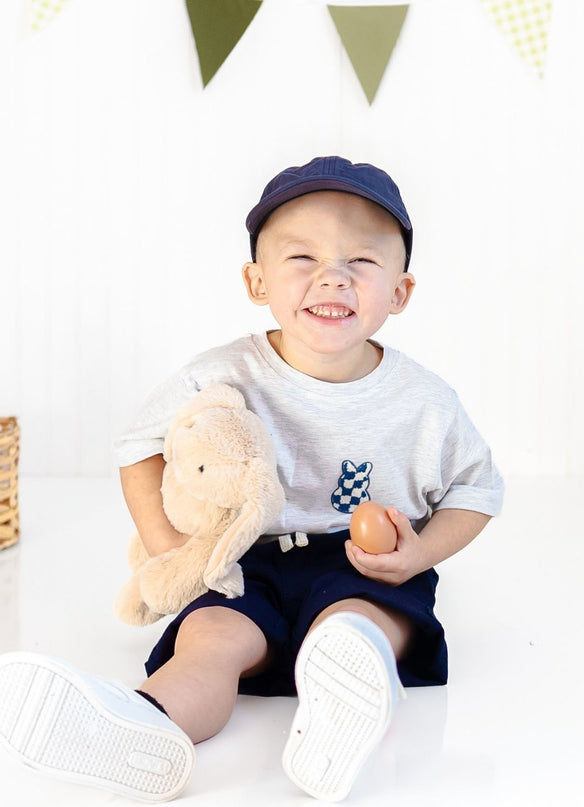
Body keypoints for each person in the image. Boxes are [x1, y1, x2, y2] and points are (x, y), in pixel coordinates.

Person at [0, 156, 503, 802]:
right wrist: (164, 541)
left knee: (353, 625)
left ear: (400, 292)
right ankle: (142, 724)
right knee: (209, 642)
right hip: (246, 558)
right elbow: (137, 445)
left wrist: (419, 555)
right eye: (302, 258)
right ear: (255, 280)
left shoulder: (424, 401)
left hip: (366, 566)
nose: (332, 277)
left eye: (361, 262)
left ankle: (338, 711)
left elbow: (476, 489)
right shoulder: (224, 372)